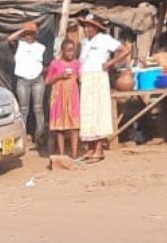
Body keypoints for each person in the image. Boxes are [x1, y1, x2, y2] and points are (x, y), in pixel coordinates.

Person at [77, 16, 130, 161]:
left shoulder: (104, 39)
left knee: (98, 112)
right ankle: (90, 148)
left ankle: (99, 149)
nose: (87, 29)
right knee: (87, 113)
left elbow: (125, 50)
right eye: (86, 26)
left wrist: (111, 63)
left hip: (98, 77)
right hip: (86, 79)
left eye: (90, 27)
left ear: (97, 28)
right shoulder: (84, 42)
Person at [6, 21, 47, 144]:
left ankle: (39, 136)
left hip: (37, 80)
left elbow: (46, 64)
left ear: (36, 34)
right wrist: (22, 31)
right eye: (27, 33)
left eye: (32, 33)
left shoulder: (41, 47)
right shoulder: (19, 44)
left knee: (38, 108)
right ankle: (22, 136)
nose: (29, 36)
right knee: (24, 110)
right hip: (23, 80)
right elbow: (9, 38)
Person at [45, 39, 82, 159]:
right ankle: (61, 154)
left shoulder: (77, 64)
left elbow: (80, 78)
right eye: (68, 51)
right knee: (60, 127)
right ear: (62, 51)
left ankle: (75, 154)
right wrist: (60, 76)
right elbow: (47, 81)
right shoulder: (55, 64)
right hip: (59, 96)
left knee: (74, 126)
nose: (71, 53)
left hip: (73, 95)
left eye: (73, 51)